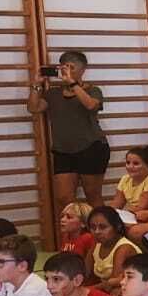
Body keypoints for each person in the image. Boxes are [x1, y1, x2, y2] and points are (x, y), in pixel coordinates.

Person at [28, 48, 109, 208]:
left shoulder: (93, 90)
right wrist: (36, 85)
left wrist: (72, 83)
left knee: (93, 197)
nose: (67, 71)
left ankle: (102, 231)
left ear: (83, 70)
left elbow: (91, 105)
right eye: (64, 67)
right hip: (63, 150)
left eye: (72, 67)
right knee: (64, 198)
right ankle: (74, 231)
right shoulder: (53, 94)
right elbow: (34, 107)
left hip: (92, 147)